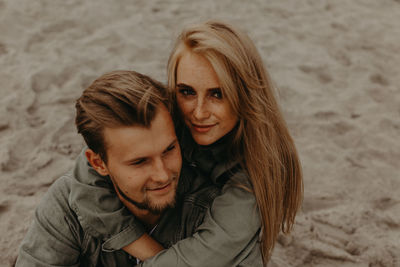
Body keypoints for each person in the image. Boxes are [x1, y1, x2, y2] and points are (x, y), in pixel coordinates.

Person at [68, 20, 304, 266]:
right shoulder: (169, 117)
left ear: (244, 94)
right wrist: (136, 242)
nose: (199, 113)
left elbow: (200, 256)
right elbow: (86, 175)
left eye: (217, 94)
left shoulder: (258, 172)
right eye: (187, 92)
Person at [15, 70, 220, 266]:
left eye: (169, 150)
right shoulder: (65, 207)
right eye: (140, 161)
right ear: (98, 163)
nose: (162, 175)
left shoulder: (212, 208)